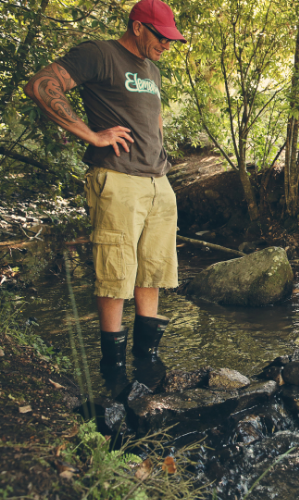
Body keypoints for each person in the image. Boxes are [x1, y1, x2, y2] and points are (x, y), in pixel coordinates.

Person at [23, 0, 186, 376]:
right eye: (161, 37)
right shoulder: (99, 54)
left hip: (158, 182)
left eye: (171, 39)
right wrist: (91, 135)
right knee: (115, 273)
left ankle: (147, 362)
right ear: (138, 27)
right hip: (117, 179)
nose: (167, 44)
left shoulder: (153, 70)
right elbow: (42, 85)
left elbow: (153, 119)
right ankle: (112, 369)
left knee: (153, 271)